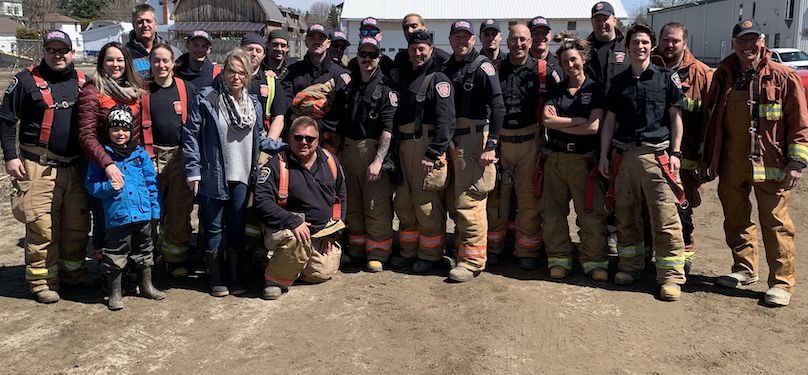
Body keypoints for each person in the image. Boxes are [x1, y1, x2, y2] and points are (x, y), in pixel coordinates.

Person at [701, 19, 808, 307]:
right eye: (742, 41)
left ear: (762, 41)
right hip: (731, 162)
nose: (748, 46)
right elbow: (712, 121)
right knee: (735, 218)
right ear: (733, 44)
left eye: (753, 40)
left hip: (771, 163)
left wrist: (796, 162)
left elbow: (800, 124)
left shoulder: (784, 77)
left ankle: (782, 283)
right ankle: (745, 269)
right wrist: (707, 159)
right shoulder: (723, 76)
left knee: (776, 223)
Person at [183, 48, 285, 298]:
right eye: (231, 71)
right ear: (223, 72)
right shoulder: (207, 99)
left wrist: (288, 145)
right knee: (214, 227)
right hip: (213, 174)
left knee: (237, 228)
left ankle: (235, 275)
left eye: (241, 73)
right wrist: (193, 170)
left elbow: (260, 139)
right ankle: (216, 277)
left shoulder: (253, 105)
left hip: (242, 176)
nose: (236, 77)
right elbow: (190, 135)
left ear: (248, 76)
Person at [597, 24, 686, 301]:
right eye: (636, 42)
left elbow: (675, 118)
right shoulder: (618, 84)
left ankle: (670, 276)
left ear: (652, 46)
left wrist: (676, 153)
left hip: (657, 157)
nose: (641, 47)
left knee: (665, 218)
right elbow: (609, 122)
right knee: (626, 216)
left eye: (646, 42)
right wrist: (603, 155)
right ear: (628, 48)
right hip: (624, 158)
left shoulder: (666, 78)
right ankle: (630, 266)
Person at [0, 30, 90, 303]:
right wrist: (10, 157)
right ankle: (41, 280)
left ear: (72, 52)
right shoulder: (25, 81)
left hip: (76, 166)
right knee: (42, 226)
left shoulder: (85, 82)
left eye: (62, 50)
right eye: (51, 50)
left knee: (77, 224)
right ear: (44, 52)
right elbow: (5, 120)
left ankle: (72, 273)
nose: (57, 55)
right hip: (38, 166)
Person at [253, 116, 346, 300]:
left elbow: (340, 197)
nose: (304, 142)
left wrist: (332, 231)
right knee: (296, 241)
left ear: (317, 141)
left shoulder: (330, 161)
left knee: (322, 271)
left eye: (309, 139)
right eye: (298, 137)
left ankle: (289, 266)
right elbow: (261, 202)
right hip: (287, 229)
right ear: (289, 138)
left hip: (319, 233)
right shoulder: (276, 164)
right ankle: (275, 281)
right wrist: (293, 221)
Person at [541, 37, 608, 281]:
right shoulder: (556, 90)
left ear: (583, 60)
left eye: (573, 59)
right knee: (553, 214)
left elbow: (593, 128)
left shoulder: (595, 89)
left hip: (583, 162)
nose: (570, 65)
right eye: (564, 61)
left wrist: (563, 123)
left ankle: (594, 261)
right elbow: (547, 121)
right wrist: (577, 121)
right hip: (556, 160)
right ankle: (559, 258)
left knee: (590, 214)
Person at [85, 105, 165, 310]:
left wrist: (155, 211)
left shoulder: (140, 155)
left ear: (131, 131)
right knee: (115, 254)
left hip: (143, 214)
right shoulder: (102, 158)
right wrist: (108, 187)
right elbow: (91, 184)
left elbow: (151, 184)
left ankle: (146, 285)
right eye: (115, 129)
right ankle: (115, 292)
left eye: (124, 129)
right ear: (108, 131)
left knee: (145, 250)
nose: (120, 134)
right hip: (118, 216)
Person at [441, 20, 503, 281]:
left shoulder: (482, 66)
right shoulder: (448, 67)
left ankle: (472, 261)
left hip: (475, 139)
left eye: (466, 37)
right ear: (450, 40)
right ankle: (460, 250)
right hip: (453, 140)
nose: (461, 41)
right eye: (457, 37)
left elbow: (498, 106)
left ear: (473, 40)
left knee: (470, 201)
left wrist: (491, 145)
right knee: (452, 201)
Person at [389, 31, 455, 273]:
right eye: (413, 49)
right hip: (404, 147)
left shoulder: (439, 80)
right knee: (404, 203)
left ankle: (430, 255)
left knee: (426, 204)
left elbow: (446, 121)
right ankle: (408, 251)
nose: (418, 53)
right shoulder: (407, 78)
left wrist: (434, 152)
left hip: (425, 148)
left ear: (431, 49)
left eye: (422, 49)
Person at [652, 22, 713, 274]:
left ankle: (685, 253)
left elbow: (712, 123)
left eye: (675, 41)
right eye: (666, 39)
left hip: (685, 159)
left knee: (682, 209)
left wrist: (705, 159)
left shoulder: (702, 75)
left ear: (685, 43)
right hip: (652, 152)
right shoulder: (649, 67)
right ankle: (650, 252)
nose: (669, 45)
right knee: (651, 206)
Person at [331, 37, 396, 271]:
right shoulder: (348, 87)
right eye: (363, 54)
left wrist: (378, 161)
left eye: (372, 55)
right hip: (349, 151)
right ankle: (357, 248)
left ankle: (378, 252)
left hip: (372, 152)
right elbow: (337, 122)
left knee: (375, 205)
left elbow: (388, 130)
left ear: (379, 58)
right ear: (357, 56)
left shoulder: (386, 89)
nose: (367, 59)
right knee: (354, 205)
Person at [77, 41, 144, 257]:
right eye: (110, 60)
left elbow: (136, 132)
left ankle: (131, 271)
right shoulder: (92, 91)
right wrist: (107, 164)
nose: (115, 64)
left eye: (119, 60)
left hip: (130, 165)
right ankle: (109, 274)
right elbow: (86, 134)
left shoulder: (134, 92)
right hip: (102, 166)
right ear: (101, 62)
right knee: (106, 219)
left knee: (132, 216)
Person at [486, 24, 542, 267]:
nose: (518, 44)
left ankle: (527, 251)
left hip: (530, 143)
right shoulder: (495, 69)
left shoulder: (543, 70)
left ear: (530, 42)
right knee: (496, 197)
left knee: (528, 199)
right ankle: (495, 247)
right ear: (506, 42)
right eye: (514, 39)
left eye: (523, 39)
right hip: (500, 142)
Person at [143, 43, 198, 278]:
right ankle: (147, 261)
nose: (161, 65)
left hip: (179, 157)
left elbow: (196, 126)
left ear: (173, 63)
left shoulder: (187, 89)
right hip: (148, 157)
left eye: (166, 60)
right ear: (150, 63)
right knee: (149, 213)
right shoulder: (141, 90)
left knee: (178, 210)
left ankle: (175, 259)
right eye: (156, 60)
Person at [282, 24, 350, 148]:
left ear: (328, 43)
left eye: (321, 38)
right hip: (296, 138)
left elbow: (342, 109)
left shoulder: (340, 74)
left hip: (327, 141)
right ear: (306, 42)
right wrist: (298, 120)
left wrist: (318, 126)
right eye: (312, 37)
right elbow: (285, 103)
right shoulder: (291, 72)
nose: (317, 41)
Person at [241, 33, 287, 140]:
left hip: (261, 140)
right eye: (249, 49)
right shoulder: (227, 79)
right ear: (240, 51)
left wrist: (268, 145)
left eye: (258, 51)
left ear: (263, 55)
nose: (254, 54)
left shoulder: (271, 82)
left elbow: (279, 118)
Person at [390, 13, 451, 84]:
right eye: (406, 28)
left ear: (424, 28)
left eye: (414, 26)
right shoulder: (401, 58)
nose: (409, 30)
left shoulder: (443, 59)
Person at [125, 4, 178, 76]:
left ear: (156, 24)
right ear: (133, 26)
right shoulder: (124, 54)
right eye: (140, 22)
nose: (145, 25)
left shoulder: (174, 53)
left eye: (148, 21)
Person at [586, 2, 627, 92]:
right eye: (597, 20)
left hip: (620, 103)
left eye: (605, 19)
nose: (602, 23)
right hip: (591, 104)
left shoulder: (627, 47)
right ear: (592, 22)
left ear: (614, 20)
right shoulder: (584, 48)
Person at [528, 16, 565, 84]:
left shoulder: (560, 65)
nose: (540, 36)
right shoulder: (522, 64)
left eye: (544, 33)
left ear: (550, 36)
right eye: (536, 33)